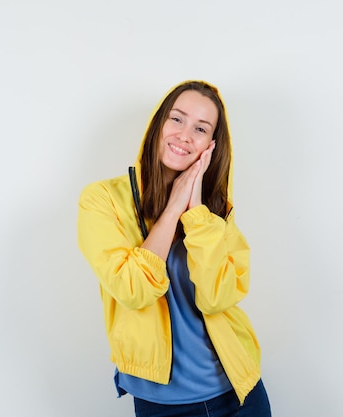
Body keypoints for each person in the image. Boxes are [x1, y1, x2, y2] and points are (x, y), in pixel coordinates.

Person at [77, 80, 272, 417]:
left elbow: (217, 298)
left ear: (211, 146)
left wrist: (196, 212)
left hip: (239, 391)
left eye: (200, 128)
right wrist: (173, 208)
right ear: (158, 124)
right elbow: (133, 290)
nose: (185, 134)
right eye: (177, 119)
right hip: (162, 406)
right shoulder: (102, 199)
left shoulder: (215, 211)